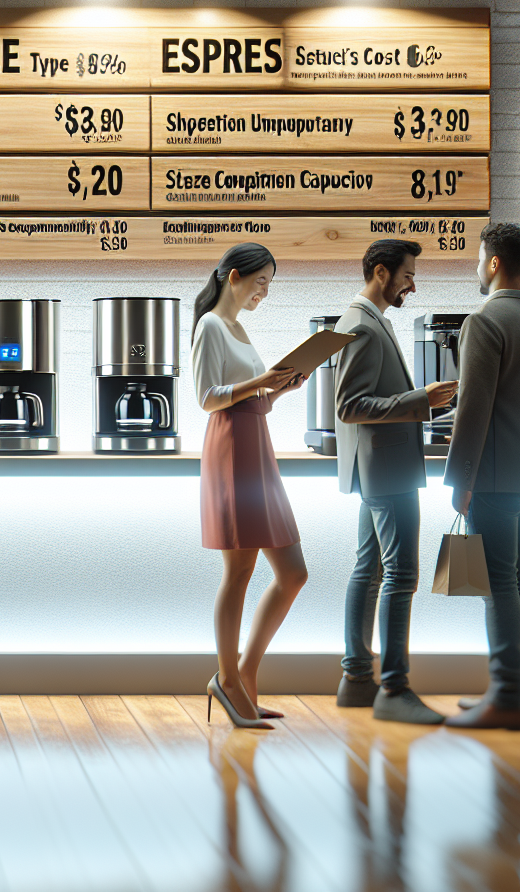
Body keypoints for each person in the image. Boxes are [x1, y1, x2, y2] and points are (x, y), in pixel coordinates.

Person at [332, 239, 457, 724]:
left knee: (368, 571)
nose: (412, 284)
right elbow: (350, 406)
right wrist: (420, 400)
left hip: (378, 468)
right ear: (381, 273)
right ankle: (394, 689)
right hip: (387, 469)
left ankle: (356, 679)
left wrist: (419, 399)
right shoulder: (362, 325)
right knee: (400, 574)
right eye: (407, 274)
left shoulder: (368, 321)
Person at [191, 243, 310, 731]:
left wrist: (278, 389)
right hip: (232, 452)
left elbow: (250, 403)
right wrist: (260, 380)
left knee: (293, 572)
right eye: (262, 281)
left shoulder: (238, 329)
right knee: (238, 571)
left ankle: (242, 674)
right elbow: (207, 398)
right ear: (235, 276)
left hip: (255, 447)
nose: (265, 292)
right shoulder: (211, 326)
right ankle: (228, 679)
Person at [444, 223, 520, 731]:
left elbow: (474, 408)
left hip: (491, 477)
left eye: (477, 257)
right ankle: (519, 692)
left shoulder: (485, 321)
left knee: (498, 588)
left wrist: (457, 479)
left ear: (493, 263)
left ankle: (505, 697)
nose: (475, 265)